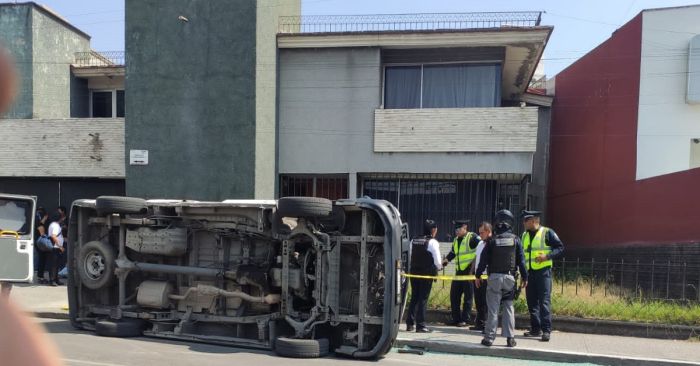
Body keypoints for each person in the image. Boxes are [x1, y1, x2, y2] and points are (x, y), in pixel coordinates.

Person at [475, 210, 528, 347]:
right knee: (508, 307)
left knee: (493, 309)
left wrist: (478, 275)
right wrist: (525, 277)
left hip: (494, 279)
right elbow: (521, 261)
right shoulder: (516, 239)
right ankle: (510, 338)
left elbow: (483, 261)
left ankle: (489, 338)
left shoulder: (492, 240)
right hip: (510, 278)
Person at [521, 210, 564, 342]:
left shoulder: (547, 232)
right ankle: (535, 329)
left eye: (526, 220)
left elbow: (560, 248)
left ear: (533, 221)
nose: (523, 223)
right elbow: (522, 256)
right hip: (529, 273)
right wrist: (523, 275)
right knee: (532, 302)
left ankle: (546, 331)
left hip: (543, 273)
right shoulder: (524, 235)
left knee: (544, 302)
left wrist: (547, 256)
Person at [442, 219, 480, 326]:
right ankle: (456, 318)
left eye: (459, 229)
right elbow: (453, 253)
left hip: (469, 272)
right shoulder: (456, 240)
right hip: (459, 272)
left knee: (468, 297)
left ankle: (465, 319)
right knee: (454, 296)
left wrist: (474, 268)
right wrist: (446, 260)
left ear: (465, 227)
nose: (456, 231)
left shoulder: (472, 238)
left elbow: (481, 249)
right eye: (455, 229)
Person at [406, 219, 442, 333]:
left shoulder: (414, 240)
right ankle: (421, 325)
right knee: (423, 298)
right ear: (433, 230)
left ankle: (409, 323)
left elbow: (410, 256)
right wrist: (439, 267)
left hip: (414, 272)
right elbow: (438, 262)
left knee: (415, 297)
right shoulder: (432, 242)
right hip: (426, 273)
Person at [470, 222, 493, 332]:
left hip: (487, 277)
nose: (480, 235)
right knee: (478, 301)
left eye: (482, 233)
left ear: (489, 232)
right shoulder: (480, 244)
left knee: (486, 302)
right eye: (479, 233)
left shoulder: (492, 244)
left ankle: (486, 324)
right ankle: (479, 323)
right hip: (478, 276)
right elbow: (476, 258)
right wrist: (473, 271)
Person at [46, 213, 66, 286]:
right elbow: (54, 236)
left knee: (56, 265)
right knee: (54, 265)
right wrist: (60, 246)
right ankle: (52, 280)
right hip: (55, 247)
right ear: (59, 219)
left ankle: (56, 279)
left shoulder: (52, 224)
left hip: (55, 247)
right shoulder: (56, 226)